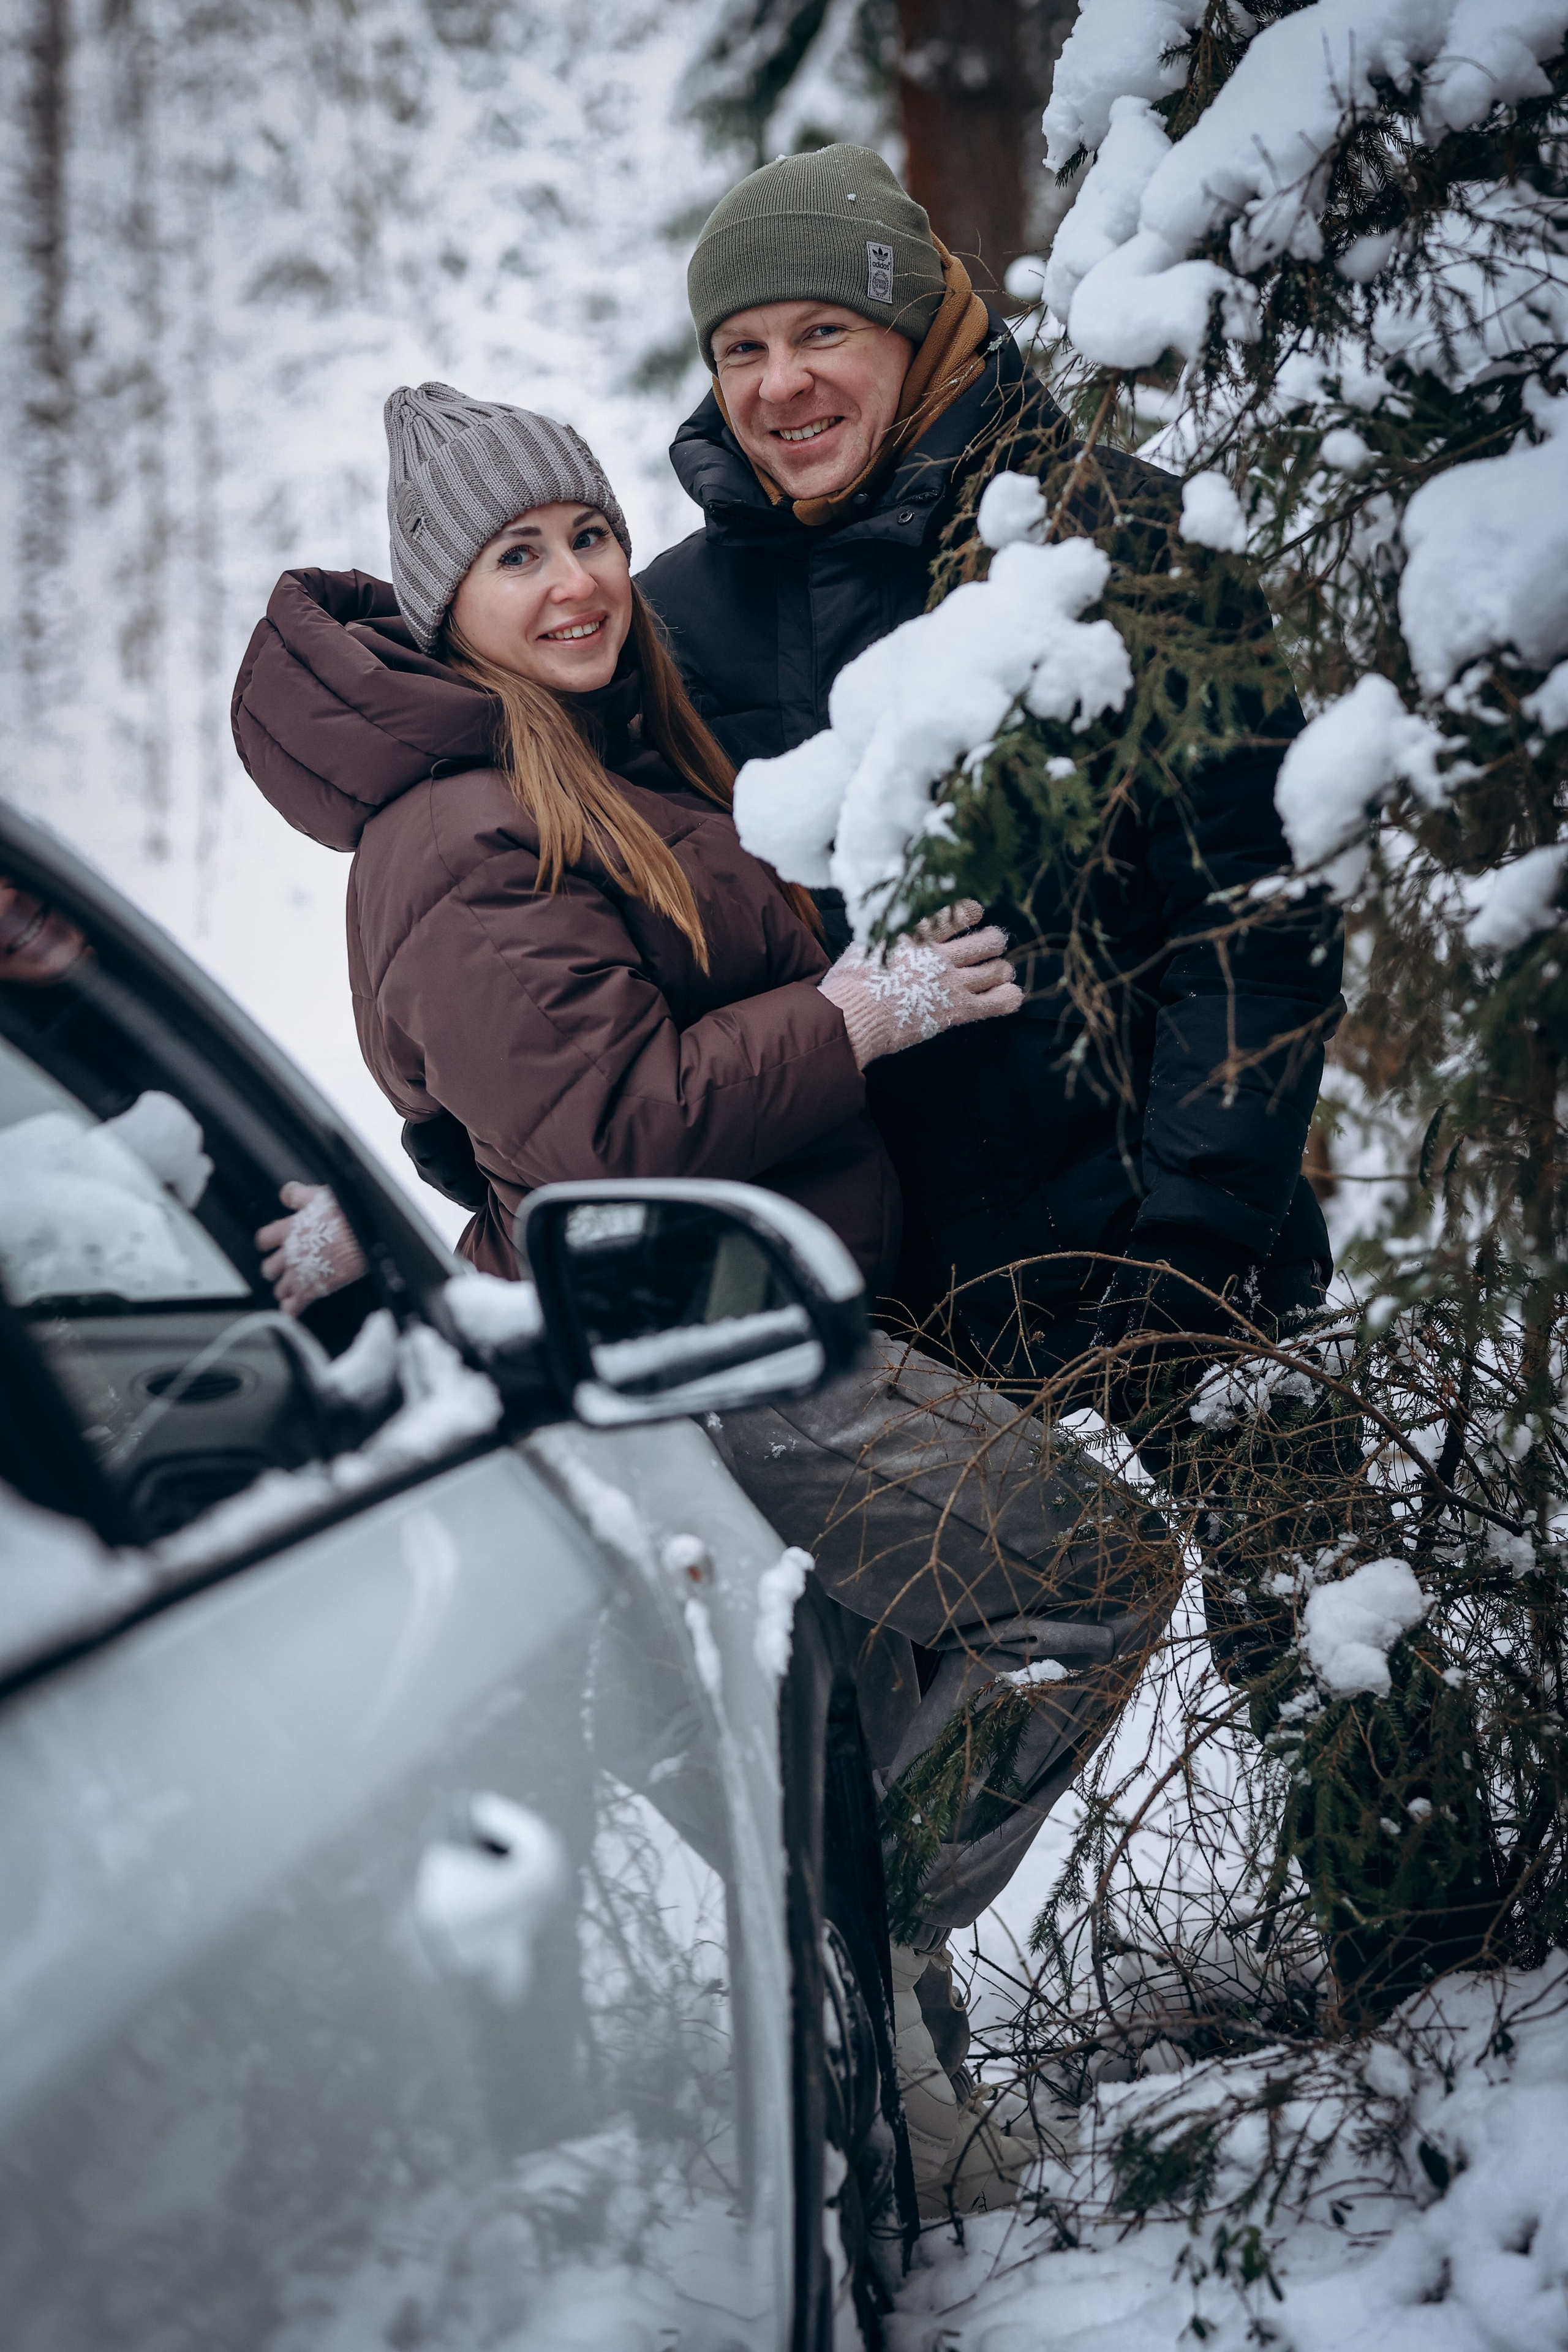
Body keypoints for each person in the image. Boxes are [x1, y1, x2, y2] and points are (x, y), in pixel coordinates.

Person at [233, 383, 1169, 2217]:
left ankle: (885, 2063)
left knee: (865, 1702)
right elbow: (598, 1130)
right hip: (687, 1342)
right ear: (446, 605)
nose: (579, 581)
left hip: (764, 1313)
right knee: (1091, 1573)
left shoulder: (589, 758)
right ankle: (861, 1939)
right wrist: (857, 1016)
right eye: (520, 558)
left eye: (586, 534)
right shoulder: (457, 828)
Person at [635, 143, 1343, 1404]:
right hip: (895, 1360)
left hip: (1189, 1291)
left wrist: (1192, 1246)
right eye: (738, 348)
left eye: (821, 331)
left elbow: (1253, 920)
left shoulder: (1117, 541)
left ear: (919, 330)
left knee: (1288, 1606)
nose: (778, 383)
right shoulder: (668, 626)